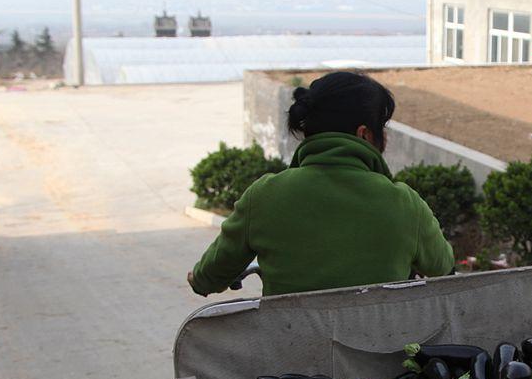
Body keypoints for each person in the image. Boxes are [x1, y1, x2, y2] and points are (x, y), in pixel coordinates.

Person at [187, 71, 454, 296]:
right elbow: (443, 268)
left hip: (288, 352)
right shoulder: (404, 203)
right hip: (377, 355)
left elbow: (208, 279)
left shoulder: (264, 195)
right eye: (382, 127)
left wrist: (198, 278)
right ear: (364, 133)